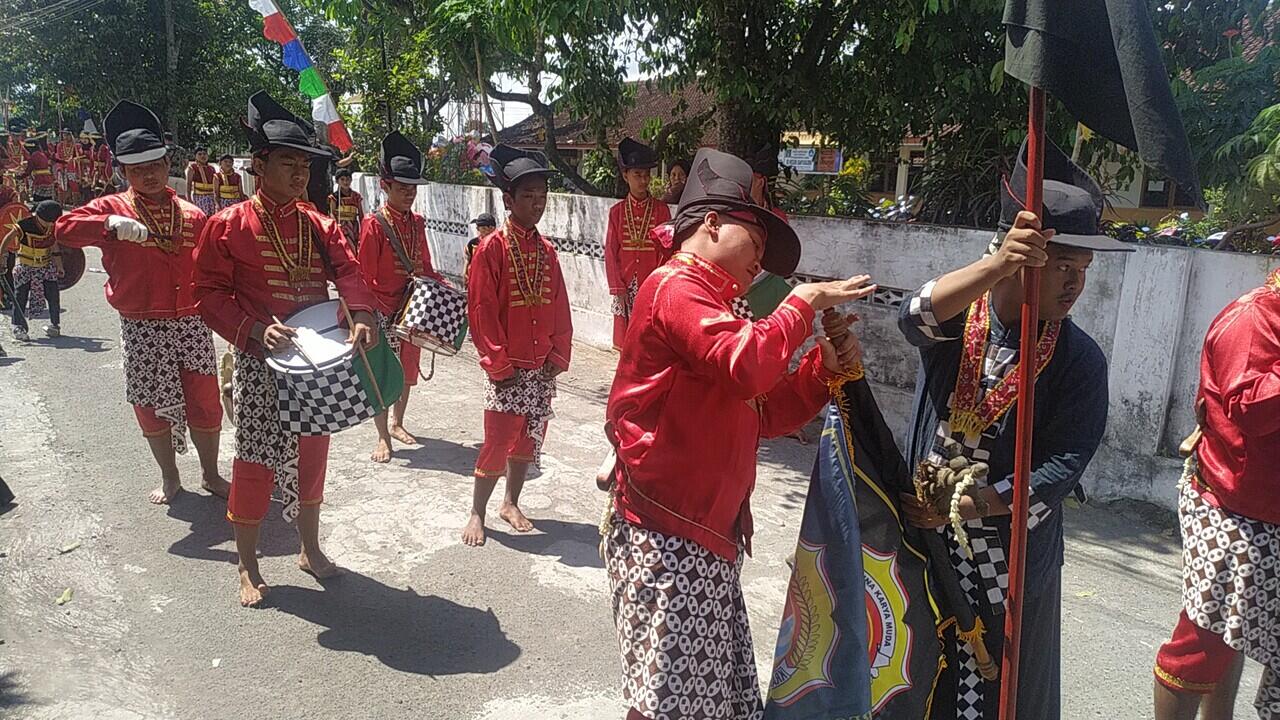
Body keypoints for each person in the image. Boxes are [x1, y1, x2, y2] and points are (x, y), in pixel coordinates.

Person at [602, 147, 872, 720]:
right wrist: (800, 303)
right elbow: (747, 366)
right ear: (712, 223)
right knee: (667, 707)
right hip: (666, 532)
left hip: (705, 534)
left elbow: (764, 410)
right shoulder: (673, 286)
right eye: (756, 242)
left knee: (703, 705)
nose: (762, 264)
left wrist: (823, 367)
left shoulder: (723, 305)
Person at [896, 140, 1133, 720]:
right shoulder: (961, 325)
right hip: (930, 535)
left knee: (1000, 681)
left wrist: (988, 501)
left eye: (1081, 270)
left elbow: (1064, 464)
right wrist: (996, 264)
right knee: (920, 665)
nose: (1074, 284)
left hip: (1011, 549)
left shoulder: (1080, 359)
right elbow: (913, 316)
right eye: (1060, 266)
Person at [193, 91, 378, 608]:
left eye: (305, 165)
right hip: (260, 364)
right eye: (289, 164)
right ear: (259, 165)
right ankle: (247, 564)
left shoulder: (319, 222)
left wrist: (360, 312)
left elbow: (348, 271)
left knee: (312, 457)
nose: (300, 174)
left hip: (315, 366)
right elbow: (207, 295)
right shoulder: (226, 225)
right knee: (255, 462)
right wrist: (252, 329)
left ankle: (309, 549)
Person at [55, 100, 229, 506]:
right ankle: (170, 478)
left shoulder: (192, 215)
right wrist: (107, 226)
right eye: (137, 170)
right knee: (151, 406)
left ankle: (210, 473)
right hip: (140, 325)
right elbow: (63, 229)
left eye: (154, 165)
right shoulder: (111, 209)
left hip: (191, 321)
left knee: (204, 401)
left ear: (167, 162)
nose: (148, 175)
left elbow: (216, 271)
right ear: (124, 172)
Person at [1152, 269, 1280, 720]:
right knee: (1206, 640)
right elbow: (1251, 407)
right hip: (1235, 510)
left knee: (1234, 631)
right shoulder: (1253, 316)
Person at [463, 144, 573, 547]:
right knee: (496, 441)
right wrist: (498, 365)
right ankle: (478, 510)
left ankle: (510, 502)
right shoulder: (491, 248)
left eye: (542, 197)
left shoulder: (547, 252)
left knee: (529, 439)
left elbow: (560, 305)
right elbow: (481, 310)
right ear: (508, 200)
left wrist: (559, 353)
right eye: (528, 197)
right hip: (507, 370)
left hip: (540, 365)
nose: (537, 204)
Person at [358, 130, 445, 463]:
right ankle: (381, 435)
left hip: (413, 309)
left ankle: (397, 423)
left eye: (412, 188)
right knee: (384, 373)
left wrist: (446, 289)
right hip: (382, 310)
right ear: (385, 186)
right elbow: (364, 276)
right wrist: (366, 316)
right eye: (401, 188)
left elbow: (425, 265)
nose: (408, 194)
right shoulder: (374, 225)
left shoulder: (417, 223)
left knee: (408, 369)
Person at [604, 137, 672, 349]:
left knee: (650, 338)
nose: (643, 181)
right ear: (626, 176)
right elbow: (610, 251)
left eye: (646, 175)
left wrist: (659, 282)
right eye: (637, 175)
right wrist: (617, 286)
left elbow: (667, 250)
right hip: (624, 283)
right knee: (625, 341)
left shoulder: (661, 210)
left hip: (650, 283)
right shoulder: (616, 213)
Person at [2, 200, 63, 341]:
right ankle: (18, 326)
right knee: (20, 297)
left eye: (52, 222)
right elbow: (6, 239)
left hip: (45, 266)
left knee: (53, 295)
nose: (49, 224)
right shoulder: (24, 225)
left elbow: (54, 245)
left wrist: (59, 266)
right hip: (25, 266)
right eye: (47, 221)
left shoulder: (52, 226)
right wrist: (2, 258)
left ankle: (55, 325)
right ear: (38, 216)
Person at [328, 168, 363, 248]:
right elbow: (332, 213)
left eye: (347, 179)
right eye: (342, 179)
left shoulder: (356, 196)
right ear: (337, 181)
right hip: (341, 226)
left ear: (351, 180)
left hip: (353, 226)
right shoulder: (334, 197)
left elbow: (361, 213)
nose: (345, 182)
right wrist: (336, 226)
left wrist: (363, 227)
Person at [19, 135, 55, 205]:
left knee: (38, 202)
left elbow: (28, 171)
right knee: (48, 202)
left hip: (40, 181)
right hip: (48, 180)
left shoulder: (33, 157)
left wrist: (20, 177)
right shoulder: (42, 154)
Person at [463, 212, 496, 286]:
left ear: (492, 228)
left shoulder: (498, 245)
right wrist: (465, 273)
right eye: (477, 228)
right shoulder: (473, 243)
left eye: (481, 228)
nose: (478, 230)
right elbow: (468, 258)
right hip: (475, 281)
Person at [185, 147, 218, 216]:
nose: (203, 156)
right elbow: (188, 183)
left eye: (204, 154)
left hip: (211, 197)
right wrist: (189, 198)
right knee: (202, 216)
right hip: (199, 197)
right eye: (199, 154)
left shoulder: (212, 168)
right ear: (195, 156)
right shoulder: (192, 167)